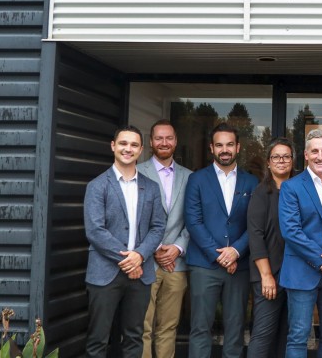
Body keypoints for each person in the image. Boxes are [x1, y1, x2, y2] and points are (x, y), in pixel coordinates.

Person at [84, 126, 166, 358]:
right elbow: (95, 230)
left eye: (133, 145)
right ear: (113, 146)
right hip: (104, 274)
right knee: (98, 339)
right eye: (123, 143)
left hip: (140, 275)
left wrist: (139, 255)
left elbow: (158, 227)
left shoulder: (151, 187)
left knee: (134, 337)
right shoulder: (97, 186)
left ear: (141, 150)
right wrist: (128, 259)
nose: (127, 149)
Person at [183, 123, 258, 358]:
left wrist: (235, 251)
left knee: (236, 329)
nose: (224, 149)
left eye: (229, 144)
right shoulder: (197, 179)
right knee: (200, 328)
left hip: (240, 266)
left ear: (238, 147)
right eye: (219, 145)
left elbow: (254, 225)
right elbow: (193, 221)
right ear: (211, 148)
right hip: (205, 265)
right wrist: (219, 255)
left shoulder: (251, 182)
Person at [278, 129, 322, 358]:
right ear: (306, 155)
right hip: (301, 271)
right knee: (298, 335)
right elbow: (291, 231)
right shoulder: (291, 187)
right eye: (315, 151)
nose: (320, 156)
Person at [136, 120, 191, 358]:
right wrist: (156, 248)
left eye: (169, 138)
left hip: (176, 264)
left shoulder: (190, 177)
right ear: (151, 142)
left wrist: (178, 247)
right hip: (146, 261)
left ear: (176, 141)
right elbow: (135, 218)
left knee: (168, 327)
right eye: (159, 138)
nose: (164, 142)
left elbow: (194, 220)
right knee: (143, 327)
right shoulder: (137, 172)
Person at [247, 137, 296, 358]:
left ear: (292, 161)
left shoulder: (298, 190)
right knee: (263, 335)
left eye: (286, 156)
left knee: (286, 335)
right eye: (276, 157)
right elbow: (255, 236)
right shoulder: (261, 193)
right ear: (268, 162)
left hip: (294, 274)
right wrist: (266, 275)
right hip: (269, 275)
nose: (281, 161)